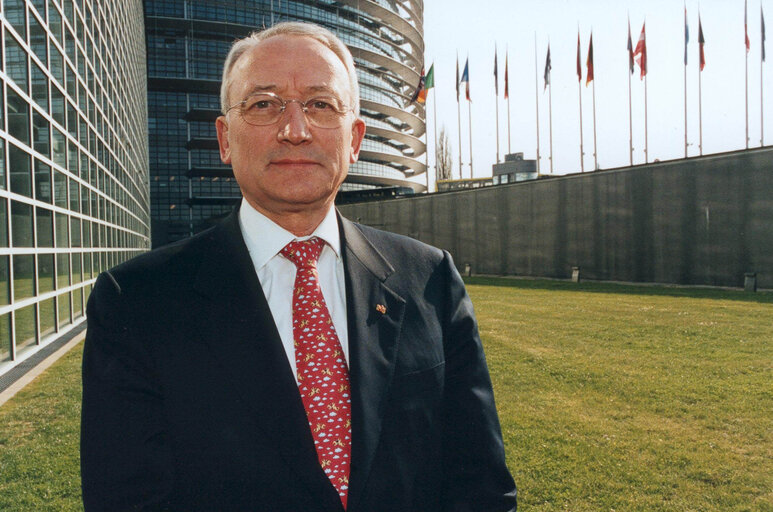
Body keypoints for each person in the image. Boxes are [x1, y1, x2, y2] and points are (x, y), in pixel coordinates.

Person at [80, 21, 516, 512]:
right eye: (264, 104)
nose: (295, 129)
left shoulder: (430, 279)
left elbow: (480, 486)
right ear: (225, 138)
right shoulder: (137, 302)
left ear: (354, 139)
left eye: (320, 104)